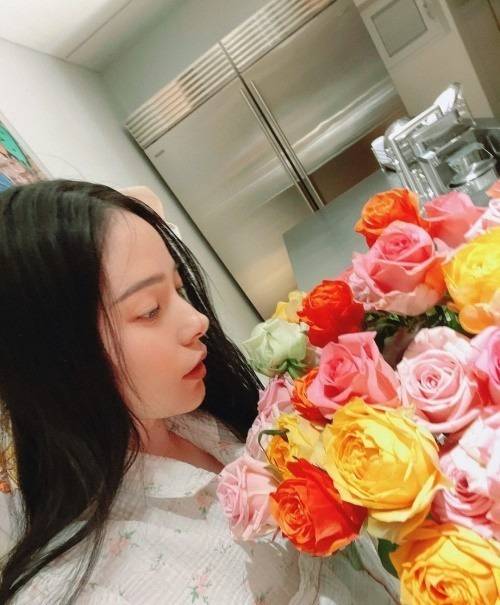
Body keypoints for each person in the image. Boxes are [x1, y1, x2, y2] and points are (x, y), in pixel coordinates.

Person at [0, 180, 399, 604]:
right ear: (57, 358)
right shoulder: (83, 589)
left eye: (178, 288)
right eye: (149, 310)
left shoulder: (201, 414)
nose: (197, 321)